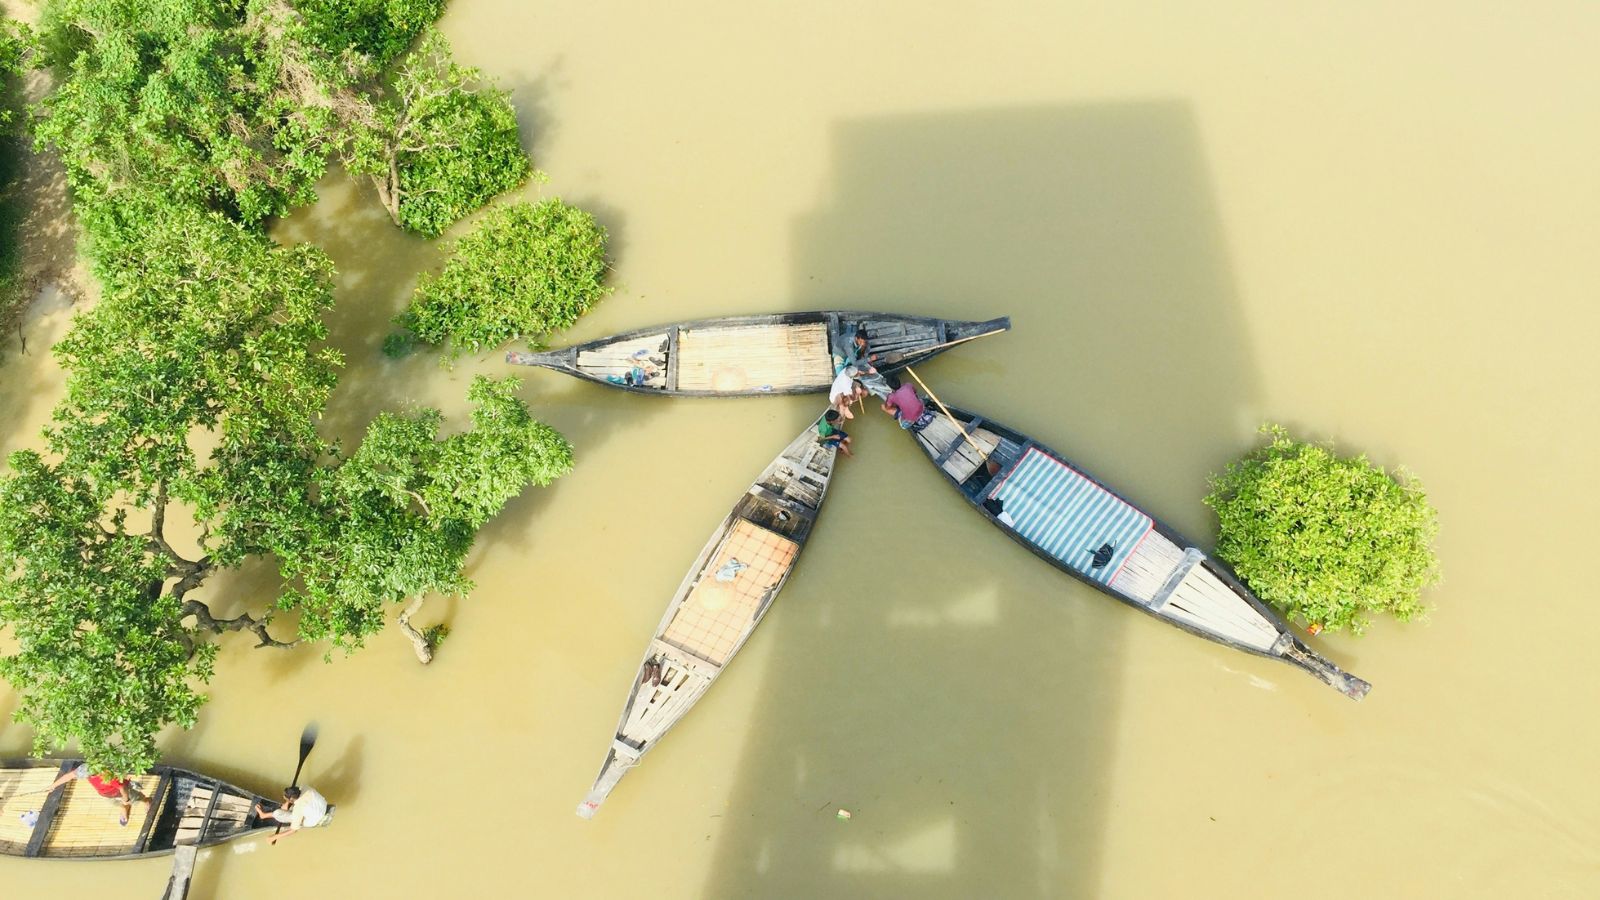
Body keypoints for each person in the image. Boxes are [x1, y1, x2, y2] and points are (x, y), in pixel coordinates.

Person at [46, 763, 150, 827]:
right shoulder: (86, 769)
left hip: (121, 791)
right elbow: (69, 776)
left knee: (136, 798)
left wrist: (126, 799)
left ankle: (147, 801)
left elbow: (122, 788)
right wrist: (53, 786)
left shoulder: (105, 775)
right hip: (106, 794)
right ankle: (124, 808)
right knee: (116, 803)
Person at [255, 785, 331, 845]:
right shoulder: (305, 787)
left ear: (291, 799)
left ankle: (263, 815)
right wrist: (287, 803)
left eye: (286, 799)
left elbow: (293, 830)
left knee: (277, 813)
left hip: (313, 820)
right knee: (289, 808)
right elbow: (294, 798)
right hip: (322, 805)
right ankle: (288, 807)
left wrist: (273, 837)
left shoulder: (298, 809)